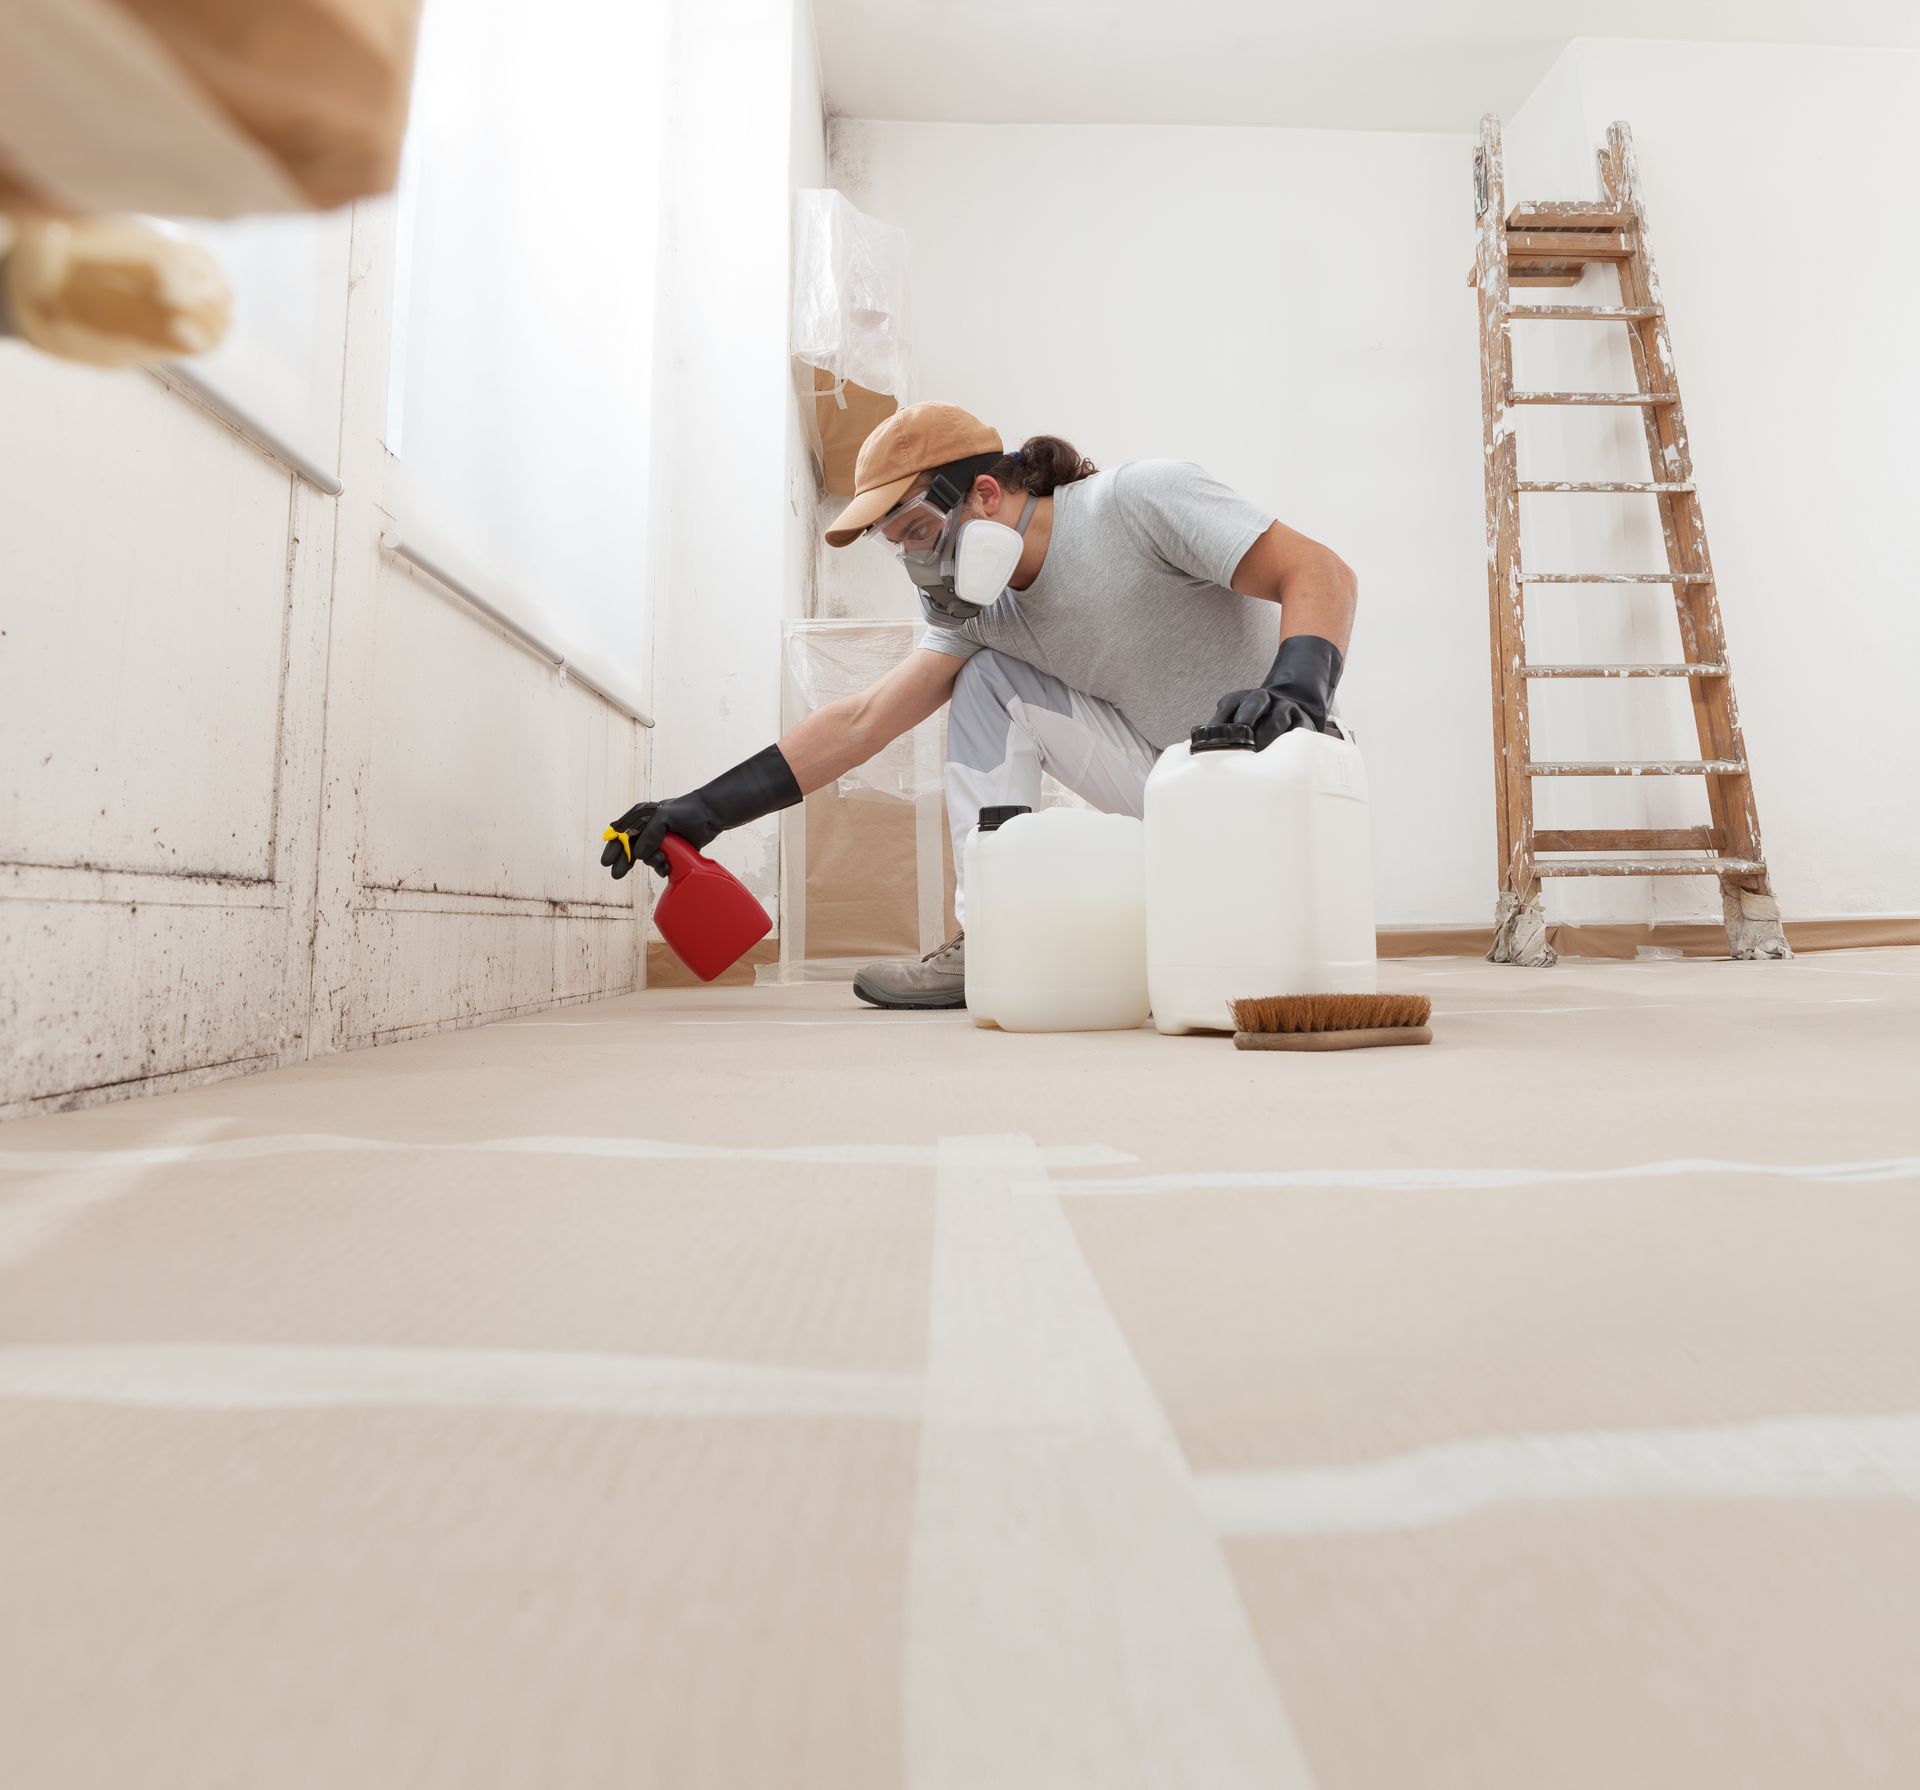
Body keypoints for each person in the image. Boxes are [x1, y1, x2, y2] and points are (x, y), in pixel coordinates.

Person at [601, 401, 1357, 1010]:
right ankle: (995, 939)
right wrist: (704, 809)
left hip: (1273, 774)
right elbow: (864, 720)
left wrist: (1296, 693)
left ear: (987, 494)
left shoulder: (1136, 502)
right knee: (987, 679)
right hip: (1166, 780)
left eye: (923, 531)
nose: (920, 562)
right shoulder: (976, 613)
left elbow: (1319, 570)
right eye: (900, 547)